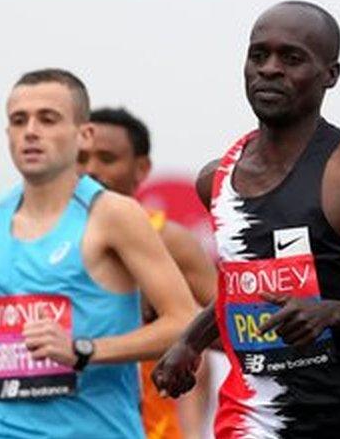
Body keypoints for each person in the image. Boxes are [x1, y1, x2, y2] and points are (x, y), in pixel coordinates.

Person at [152, 1, 340, 438]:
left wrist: (332, 314)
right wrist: (190, 342)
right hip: (256, 419)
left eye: (292, 58)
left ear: (331, 74)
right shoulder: (217, 180)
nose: (269, 69)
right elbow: (241, 289)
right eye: (258, 55)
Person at [0, 69, 196, 439]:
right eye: (19, 121)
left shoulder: (113, 215)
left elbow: (183, 321)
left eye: (48, 119)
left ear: (85, 135)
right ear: (8, 135)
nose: (31, 131)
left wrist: (84, 350)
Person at [82, 107, 217, 439]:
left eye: (107, 158)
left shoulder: (169, 241)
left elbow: (231, 329)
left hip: (149, 430)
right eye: (81, 158)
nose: (91, 170)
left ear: (141, 168)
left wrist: (179, 328)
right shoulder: (39, 239)